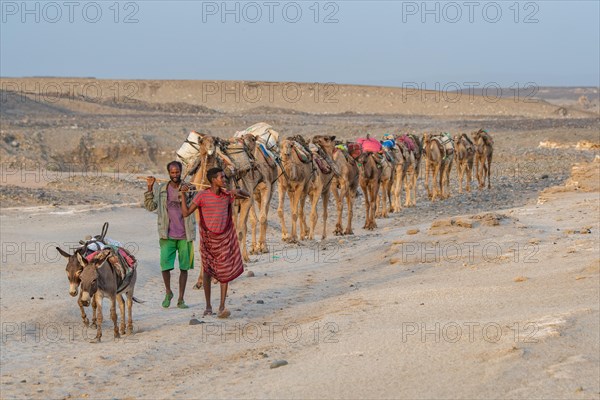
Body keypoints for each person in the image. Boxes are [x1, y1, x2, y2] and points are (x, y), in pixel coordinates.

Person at [180, 167, 249, 318]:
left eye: (224, 177)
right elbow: (185, 213)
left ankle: (222, 305)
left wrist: (237, 190)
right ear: (213, 180)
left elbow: (247, 195)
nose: (224, 180)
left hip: (224, 239)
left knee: (224, 272)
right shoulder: (201, 196)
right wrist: (183, 195)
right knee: (207, 271)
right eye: (221, 177)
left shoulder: (227, 195)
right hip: (208, 241)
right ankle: (208, 306)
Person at [144, 161, 196, 309]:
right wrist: (149, 187)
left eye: (177, 172)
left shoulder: (190, 188)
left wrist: (186, 193)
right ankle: (168, 292)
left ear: (181, 172)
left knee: (184, 268)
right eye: (172, 173)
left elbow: (194, 206)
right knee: (165, 266)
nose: (175, 175)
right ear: (169, 173)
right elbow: (150, 206)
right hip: (166, 234)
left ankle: (181, 299)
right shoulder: (161, 189)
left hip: (186, 234)